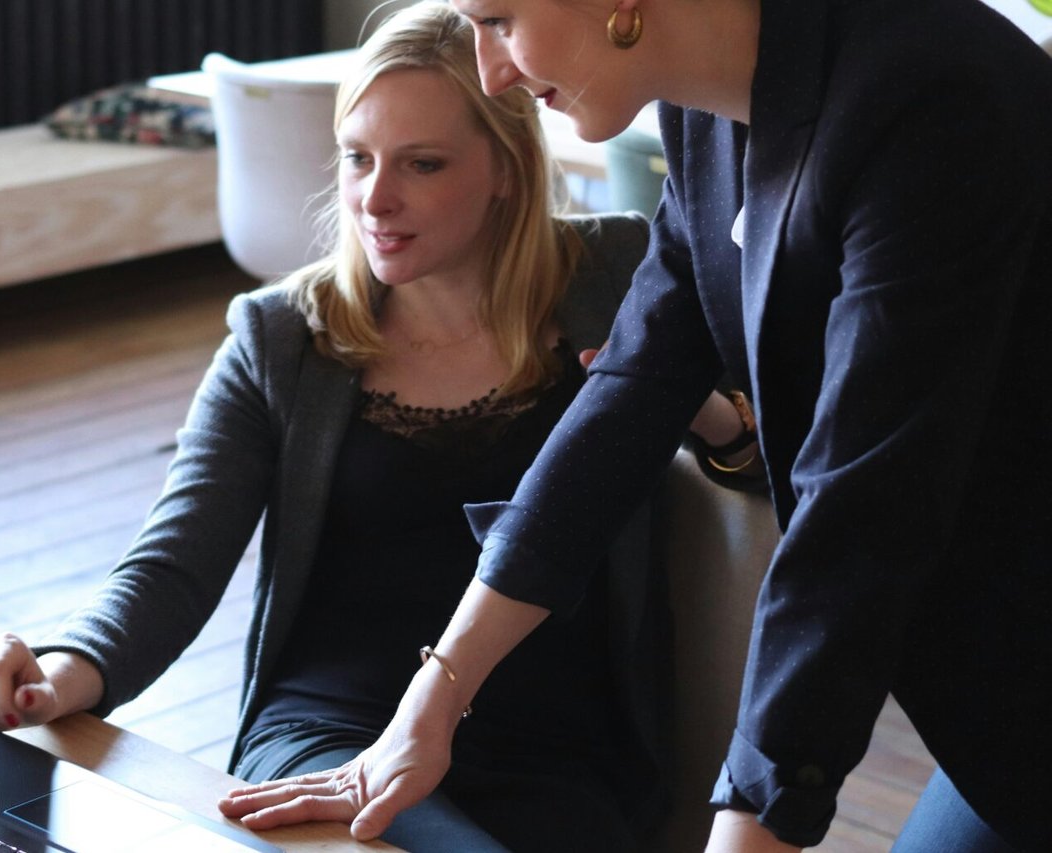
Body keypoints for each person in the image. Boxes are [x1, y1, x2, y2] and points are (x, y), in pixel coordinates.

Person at [218, 0, 1052, 851]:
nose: (490, 70)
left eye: (498, 19)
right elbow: (629, 392)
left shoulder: (932, 95)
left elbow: (864, 509)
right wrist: (428, 705)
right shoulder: (710, 116)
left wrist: (753, 815)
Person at [0, 3, 755, 848]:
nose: (377, 198)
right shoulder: (282, 338)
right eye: (357, 158)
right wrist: (54, 674)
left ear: (507, 168)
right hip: (330, 733)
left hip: (562, 753)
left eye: (423, 164)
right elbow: (171, 565)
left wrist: (691, 409)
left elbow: (771, 470)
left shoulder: (620, 273)